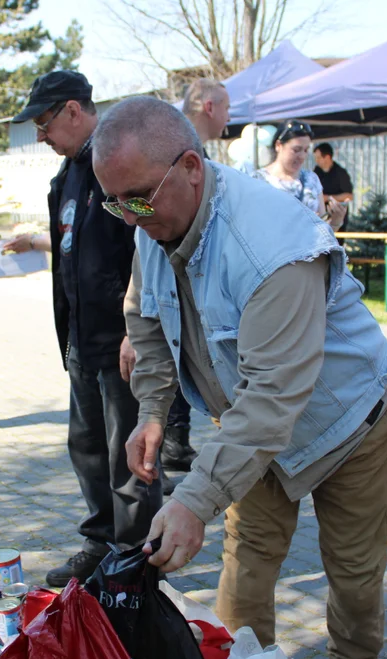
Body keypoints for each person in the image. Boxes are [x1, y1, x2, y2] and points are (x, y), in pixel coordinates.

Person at [94, 96, 387, 659]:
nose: (128, 217)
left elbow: (274, 396)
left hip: (351, 420)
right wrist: (153, 410)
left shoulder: (271, 244)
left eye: (136, 198)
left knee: (351, 564)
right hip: (254, 421)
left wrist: (191, 500)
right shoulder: (153, 221)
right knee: (249, 553)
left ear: (189, 165)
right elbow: (147, 321)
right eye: (115, 202)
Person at [2, 71, 161, 587]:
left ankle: (137, 556)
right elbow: (79, 247)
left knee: (128, 452)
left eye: (45, 122)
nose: (41, 135)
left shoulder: (116, 163)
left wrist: (137, 326)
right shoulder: (68, 175)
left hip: (121, 342)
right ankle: (101, 541)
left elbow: (150, 244)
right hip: (80, 339)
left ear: (74, 111)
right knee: (88, 445)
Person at [156, 77, 234, 474]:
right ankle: (172, 440)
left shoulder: (197, 155)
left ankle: (176, 439)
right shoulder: (179, 153)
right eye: (227, 107)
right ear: (208, 107)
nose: (229, 116)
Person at [254, 120, 348, 231]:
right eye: (296, 150)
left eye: (306, 150)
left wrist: (336, 221)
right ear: (278, 145)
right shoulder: (257, 181)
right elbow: (252, 228)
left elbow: (323, 234)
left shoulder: (311, 179)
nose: (302, 156)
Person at [314, 142, 355, 231]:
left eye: (318, 158)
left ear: (327, 157)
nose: (316, 160)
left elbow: (349, 196)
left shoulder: (341, 173)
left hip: (337, 219)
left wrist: (328, 198)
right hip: (320, 218)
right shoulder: (317, 172)